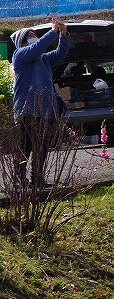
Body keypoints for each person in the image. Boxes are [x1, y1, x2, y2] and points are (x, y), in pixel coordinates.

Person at [12, 21, 69, 187]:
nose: (34, 37)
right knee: (25, 146)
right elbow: (38, 47)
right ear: (22, 42)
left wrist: (63, 34)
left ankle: (37, 178)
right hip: (27, 109)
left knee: (42, 147)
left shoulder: (43, 58)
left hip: (45, 109)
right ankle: (19, 178)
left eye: (34, 35)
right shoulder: (20, 54)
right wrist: (52, 32)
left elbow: (60, 53)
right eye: (30, 35)